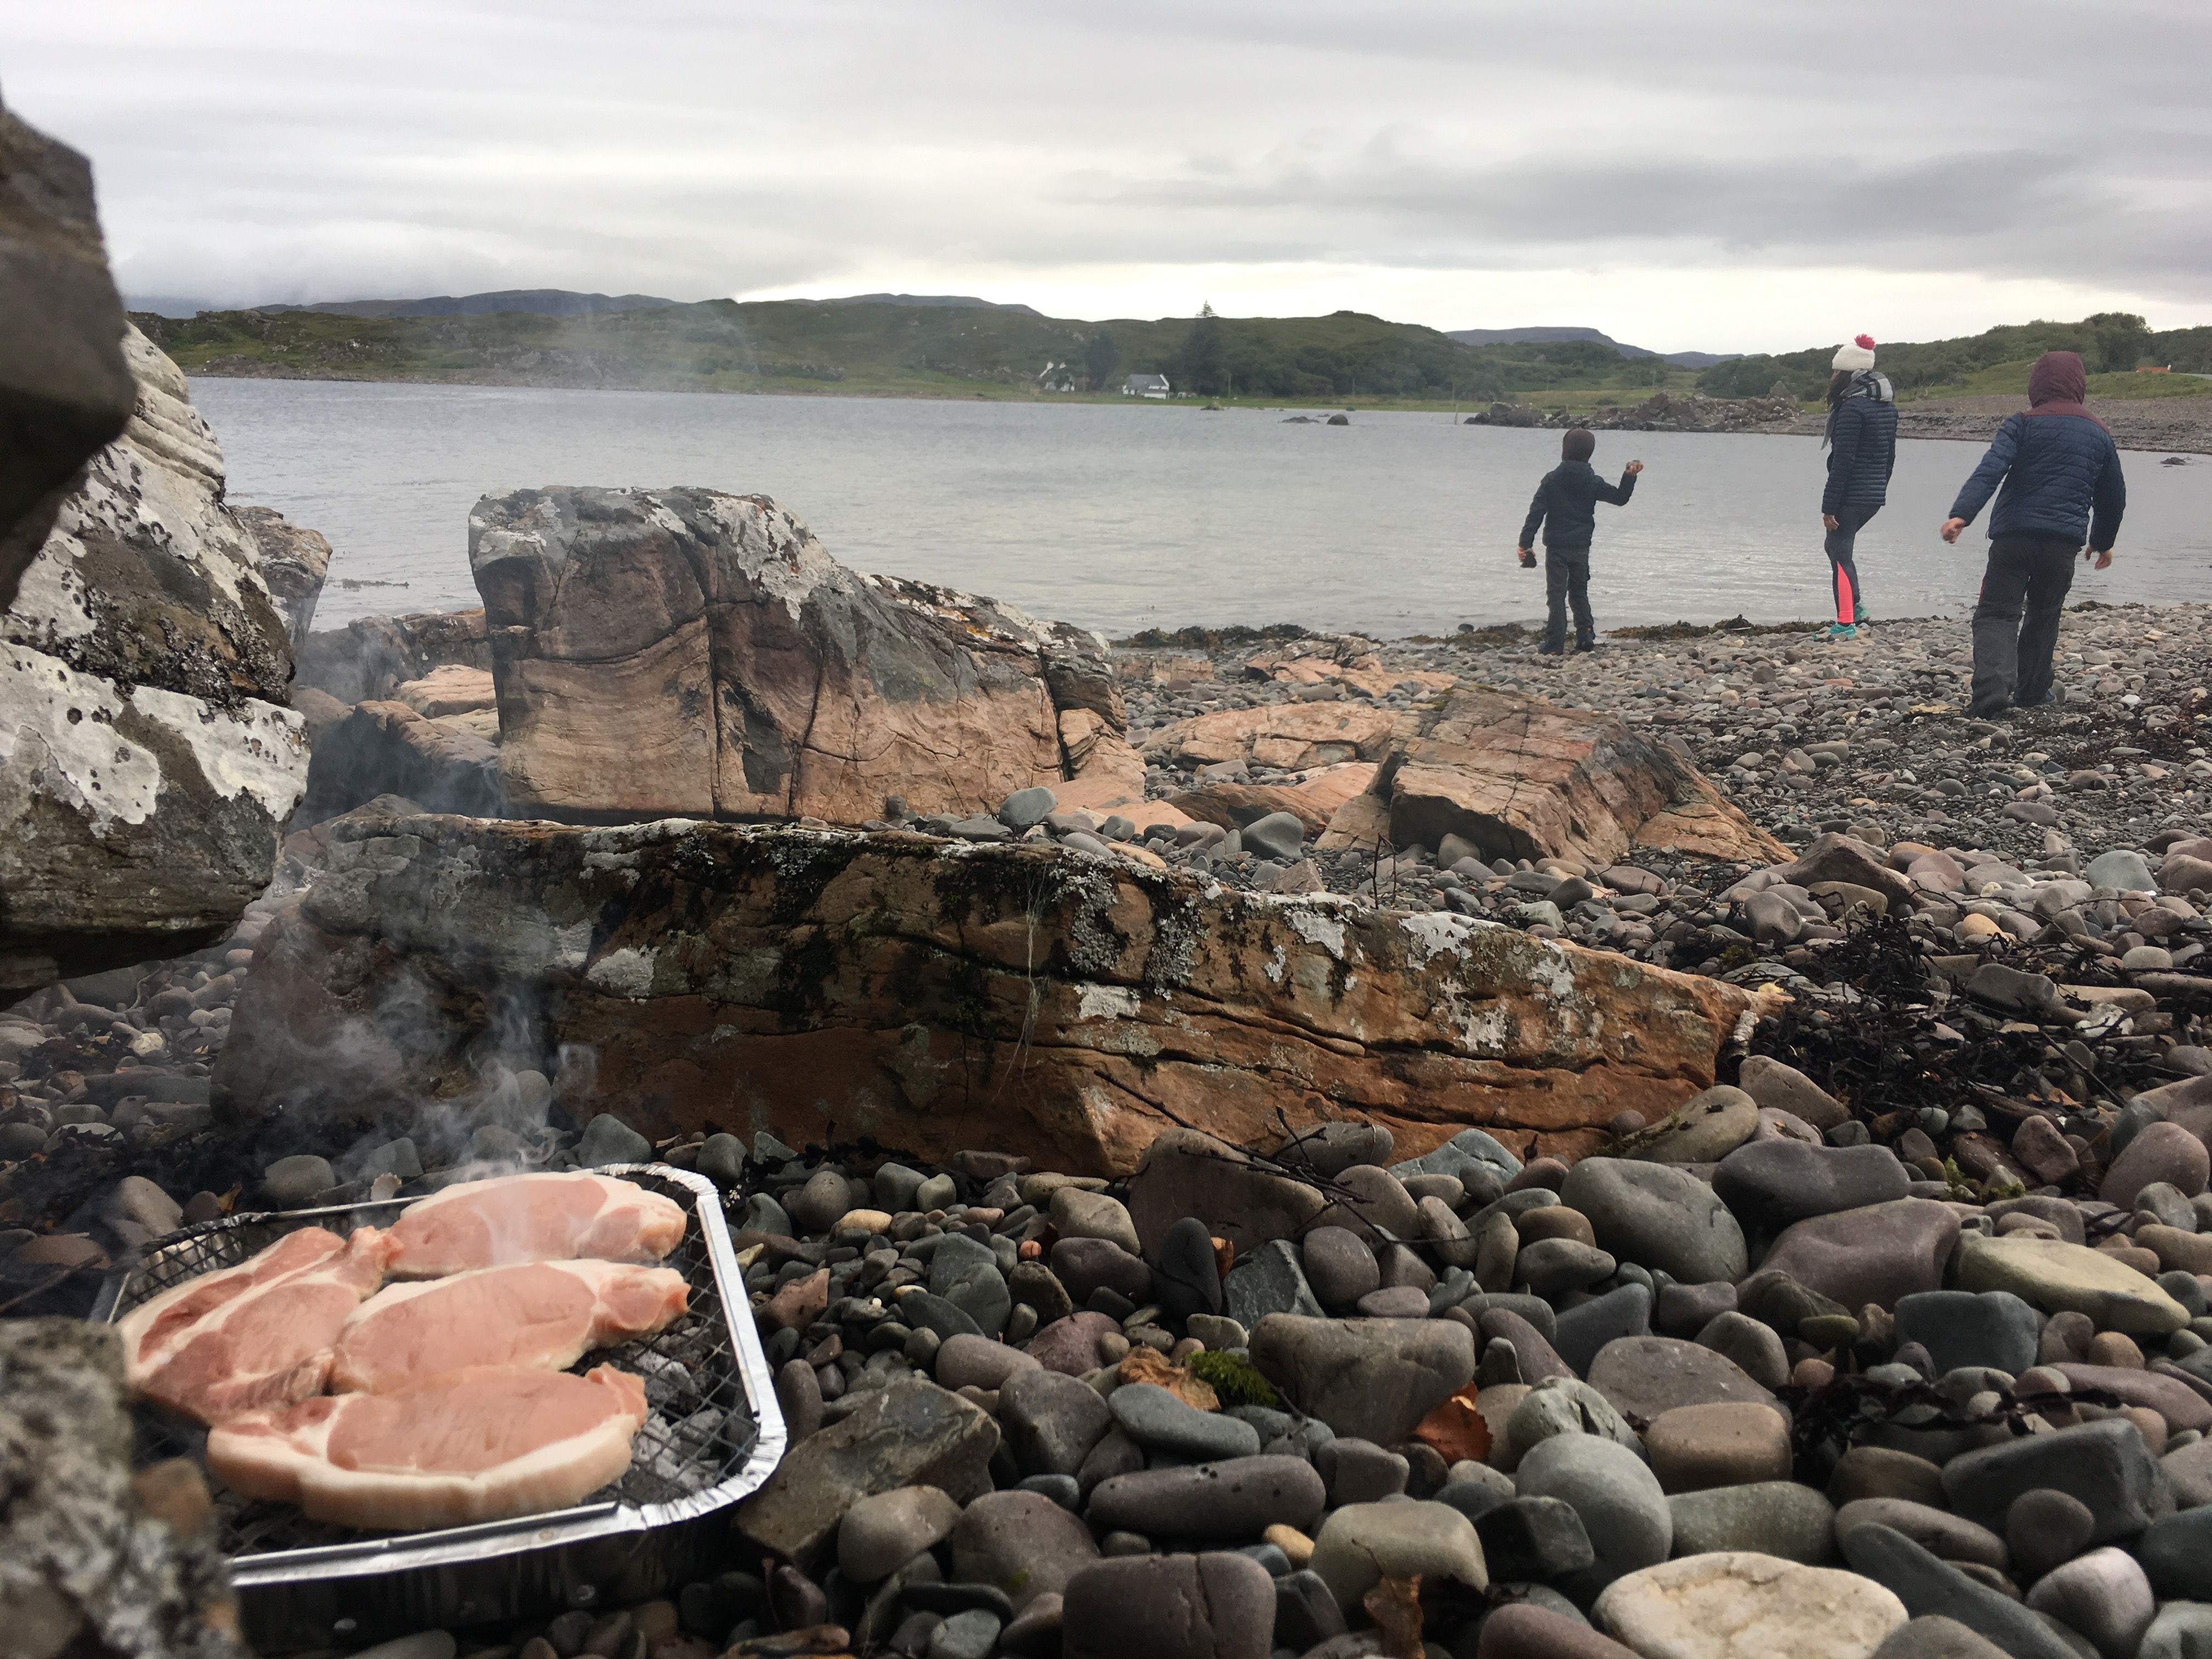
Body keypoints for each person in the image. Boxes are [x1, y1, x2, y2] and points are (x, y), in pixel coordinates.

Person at [1940, 349, 2126, 718]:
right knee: (2044, 614)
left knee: (1997, 613)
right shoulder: (2099, 433)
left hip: (2014, 536)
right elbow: (2113, 495)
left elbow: (1991, 469)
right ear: (2080, 386)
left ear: (2036, 385)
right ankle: (2032, 692)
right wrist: (2102, 542)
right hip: (2062, 543)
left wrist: (1962, 514)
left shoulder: (2023, 422)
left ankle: (1992, 690)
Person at [1516, 428, 1643, 656]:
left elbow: (1536, 513)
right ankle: (1585, 635)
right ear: (1589, 454)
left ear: (1563, 451)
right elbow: (1620, 498)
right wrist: (1629, 476)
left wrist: (1525, 544)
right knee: (1579, 591)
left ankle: (1555, 643)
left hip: (1557, 546)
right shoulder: (1592, 481)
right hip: (1581, 546)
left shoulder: (1552, 480)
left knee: (1556, 595)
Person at [1819, 332, 1897, 641]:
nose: (1833, 377)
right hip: (1872, 494)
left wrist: (1829, 506)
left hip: (1852, 493)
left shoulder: (1852, 409)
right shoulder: (1886, 407)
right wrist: (1880, 489)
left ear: (1848, 374)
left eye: (1836, 371)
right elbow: (1890, 456)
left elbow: (1843, 461)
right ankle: (1858, 608)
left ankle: (1845, 621)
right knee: (1836, 547)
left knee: (1839, 553)